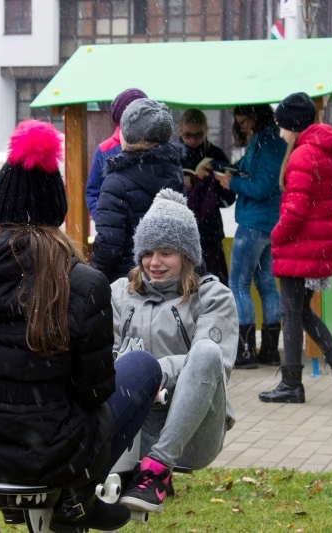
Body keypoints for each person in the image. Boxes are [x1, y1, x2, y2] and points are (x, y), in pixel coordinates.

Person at [0, 120, 163, 533]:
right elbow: (94, 390)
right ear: (58, 210)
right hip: (51, 451)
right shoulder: (82, 282)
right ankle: (79, 499)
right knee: (142, 366)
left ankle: (76, 501)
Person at [111, 189, 238, 514]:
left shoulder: (213, 297)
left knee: (207, 351)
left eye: (166, 253)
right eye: (148, 252)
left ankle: (156, 471)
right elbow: (102, 358)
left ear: (186, 255)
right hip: (133, 423)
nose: (154, 262)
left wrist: (150, 375)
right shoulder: (118, 294)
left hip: (195, 432)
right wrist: (134, 385)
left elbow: (214, 363)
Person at [259, 92, 332, 404]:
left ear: (293, 124)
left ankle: (292, 384)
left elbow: (295, 210)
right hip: (317, 244)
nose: (279, 133)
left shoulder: (303, 155)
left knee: (290, 312)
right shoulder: (326, 151)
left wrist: (276, 236)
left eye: (282, 126)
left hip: (299, 245)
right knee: (300, 310)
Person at [214, 105, 286, 368]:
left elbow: (261, 186)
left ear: (256, 117)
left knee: (238, 284)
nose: (241, 127)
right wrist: (218, 167)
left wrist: (231, 183)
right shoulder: (268, 139)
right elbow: (243, 167)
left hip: (255, 222)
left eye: (243, 121)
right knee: (266, 284)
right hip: (271, 223)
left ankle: (244, 353)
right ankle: (269, 350)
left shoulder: (267, 142)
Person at [91, 98, 185, 282]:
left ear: (130, 137)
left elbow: (108, 246)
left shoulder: (116, 182)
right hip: (167, 279)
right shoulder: (175, 174)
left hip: (128, 283)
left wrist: (94, 277)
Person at [177, 109, 236, 285]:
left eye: (198, 135)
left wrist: (212, 186)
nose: (193, 140)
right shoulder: (172, 155)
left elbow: (229, 197)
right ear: (180, 131)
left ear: (206, 131)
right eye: (188, 135)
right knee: (183, 286)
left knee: (216, 286)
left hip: (209, 231)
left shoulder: (216, 155)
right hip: (182, 230)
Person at [85, 88, 148, 218]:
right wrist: (104, 220)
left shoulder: (155, 146)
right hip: (117, 229)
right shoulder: (105, 149)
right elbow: (93, 191)